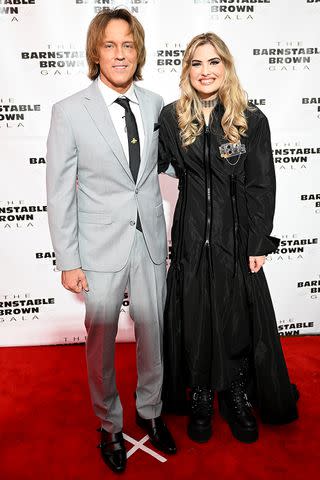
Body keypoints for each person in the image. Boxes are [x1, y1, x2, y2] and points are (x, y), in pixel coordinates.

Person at [46, 8, 176, 474]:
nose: (120, 54)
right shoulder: (69, 111)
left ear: (138, 51)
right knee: (100, 339)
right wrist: (68, 259)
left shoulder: (158, 102)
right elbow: (60, 190)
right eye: (110, 45)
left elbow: (167, 166)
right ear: (95, 52)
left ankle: (152, 410)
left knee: (153, 333)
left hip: (148, 237)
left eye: (128, 45)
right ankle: (109, 424)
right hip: (96, 246)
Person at [158, 32, 298, 444]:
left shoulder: (251, 119)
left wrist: (258, 242)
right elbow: (156, 167)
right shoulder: (171, 117)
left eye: (214, 62)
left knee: (237, 316)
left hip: (236, 237)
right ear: (187, 69)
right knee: (195, 314)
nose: (206, 71)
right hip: (188, 235)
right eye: (197, 63)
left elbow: (262, 184)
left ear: (227, 66)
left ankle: (236, 393)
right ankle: (201, 393)